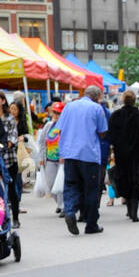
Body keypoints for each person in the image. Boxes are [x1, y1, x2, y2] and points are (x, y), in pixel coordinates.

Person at [57, 85, 108, 235]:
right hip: (89, 154)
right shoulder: (97, 108)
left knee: (71, 185)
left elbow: (60, 129)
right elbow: (102, 131)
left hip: (70, 153)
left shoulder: (68, 107)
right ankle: (91, 224)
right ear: (97, 96)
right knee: (91, 189)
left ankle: (70, 211)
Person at [108, 88, 139, 222]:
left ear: (123, 100)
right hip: (138, 154)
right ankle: (134, 211)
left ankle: (128, 208)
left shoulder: (116, 115)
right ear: (134, 101)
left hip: (121, 154)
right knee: (136, 180)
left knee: (124, 179)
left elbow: (111, 135)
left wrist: (112, 150)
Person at [0, 89, 22, 228]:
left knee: (11, 189)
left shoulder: (9, 118)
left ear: (3, 101)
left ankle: (15, 217)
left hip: (8, 159)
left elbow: (12, 138)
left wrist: (1, 146)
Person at [36, 101, 64, 214]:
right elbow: (42, 142)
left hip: (63, 161)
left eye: (59, 113)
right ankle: (59, 203)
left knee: (62, 185)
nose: (56, 115)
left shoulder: (66, 125)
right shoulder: (48, 125)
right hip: (50, 159)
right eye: (55, 113)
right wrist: (41, 158)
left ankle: (64, 206)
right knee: (51, 184)